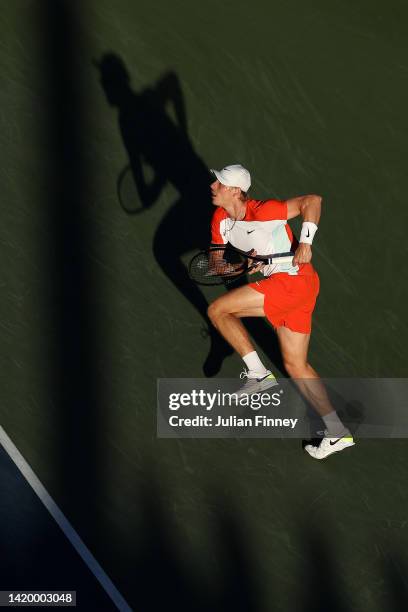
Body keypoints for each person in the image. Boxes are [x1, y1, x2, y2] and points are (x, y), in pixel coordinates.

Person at [207, 164, 355, 460]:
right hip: (297, 287)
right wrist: (243, 266)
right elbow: (215, 264)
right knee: (296, 366)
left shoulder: (264, 211)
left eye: (220, 184)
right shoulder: (220, 219)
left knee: (218, 310)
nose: (213, 187)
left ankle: (258, 374)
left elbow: (312, 201)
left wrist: (306, 242)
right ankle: (337, 431)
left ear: (235, 191)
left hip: (294, 282)